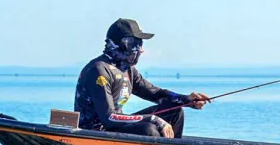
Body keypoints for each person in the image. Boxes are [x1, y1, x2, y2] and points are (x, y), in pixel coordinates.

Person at [74, 18, 211, 138]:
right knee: (149, 129)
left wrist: (187, 100)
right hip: (97, 131)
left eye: (140, 44)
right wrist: (153, 119)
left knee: (175, 110)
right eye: (135, 44)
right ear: (122, 44)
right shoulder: (99, 71)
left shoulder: (128, 70)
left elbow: (155, 93)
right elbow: (109, 118)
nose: (140, 49)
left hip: (114, 127)